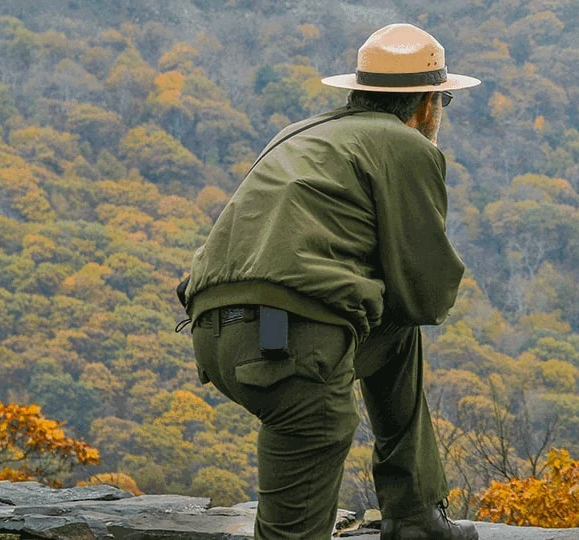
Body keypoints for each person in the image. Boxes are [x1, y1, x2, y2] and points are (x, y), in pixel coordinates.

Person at [179, 23, 480, 540]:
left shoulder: (301, 134)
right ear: (427, 104)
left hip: (215, 332)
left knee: (395, 334)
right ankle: (413, 517)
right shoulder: (407, 147)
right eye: (443, 100)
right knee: (293, 527)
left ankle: (414, 515)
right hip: (287, 342)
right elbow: (425, 294)